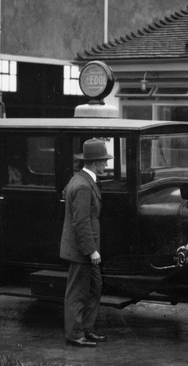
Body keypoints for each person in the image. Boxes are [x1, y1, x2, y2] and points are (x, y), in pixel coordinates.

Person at [60, 139, 113, 347]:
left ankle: (86, 329)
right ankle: (74, 335)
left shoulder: (79, 180)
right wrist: (91, 251)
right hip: (82, 250)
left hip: (85, 248)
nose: (106, 165)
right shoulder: (83, 185)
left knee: (94, 286)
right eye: (103, 161)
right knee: (78, 292)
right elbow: (80, 222)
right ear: (94, 162)